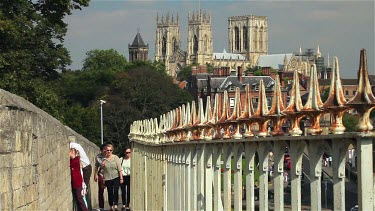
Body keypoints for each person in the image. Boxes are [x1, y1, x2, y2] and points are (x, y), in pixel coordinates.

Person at [70, 142, 92, 210]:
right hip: (86, 168)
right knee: (82, 191)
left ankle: (86, 208)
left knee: (82, 192)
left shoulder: (73, 146)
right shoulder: (75, 146)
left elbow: (76, 160)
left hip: (85, 168)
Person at [102, 144, 123, 211]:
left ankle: (116, 206)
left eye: (110, 150)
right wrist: (102, 166)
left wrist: (121, 178)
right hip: (108, 178)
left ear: (112, 150)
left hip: (116, 176)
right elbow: (103, 171)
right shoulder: (104, 159)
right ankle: (111, 206)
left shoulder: (115, 158)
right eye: (107, 150)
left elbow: (120, 168)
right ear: (105, 151)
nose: (109, 151)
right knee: (110, 192)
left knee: (116, 191)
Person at [94, 144, 107, 211]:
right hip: (101, 174)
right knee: (101, 190)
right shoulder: (98, 157)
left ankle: (113, 205)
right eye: (103, 149)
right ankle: (101, 207)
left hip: (109, 175)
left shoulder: (110, 156)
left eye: (106, 149)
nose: (105, 151)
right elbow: (96, 166)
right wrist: (95, 175)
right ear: (101, 150)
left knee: (111, 190)